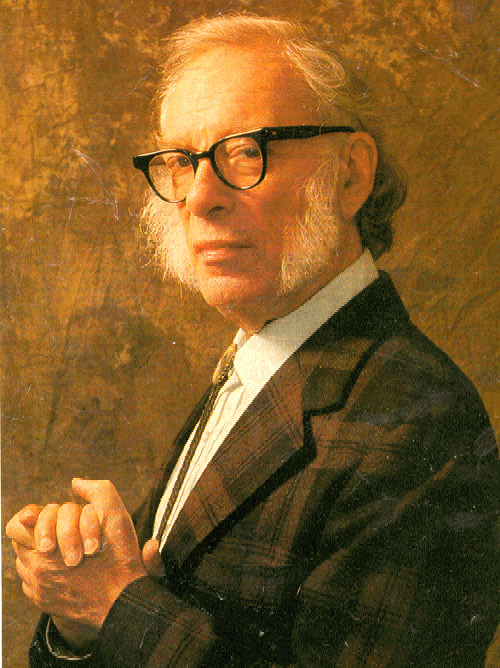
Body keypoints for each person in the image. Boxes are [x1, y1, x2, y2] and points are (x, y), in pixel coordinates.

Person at [7, 13, 500, 667]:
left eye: (245, 152)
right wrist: (80, 623)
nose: (199, 198)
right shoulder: (260, 357)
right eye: (182, 161)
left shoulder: (417, 415)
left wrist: (114, 606)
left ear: (350, 175)